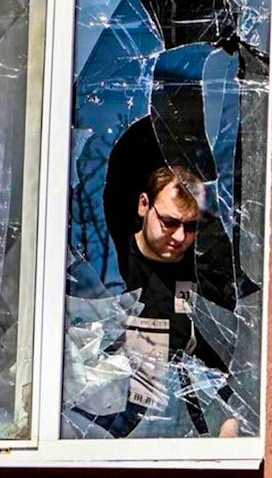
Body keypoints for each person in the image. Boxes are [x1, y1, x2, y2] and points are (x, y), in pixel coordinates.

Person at [77, 165, 239, 438]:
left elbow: (223, 363)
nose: (179, 237)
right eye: (169, 222)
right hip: (106, 431)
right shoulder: (108, 267)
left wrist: (230, 419)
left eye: (190, 226)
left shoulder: (205, 278)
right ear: (144, 205)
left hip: (183, 430)